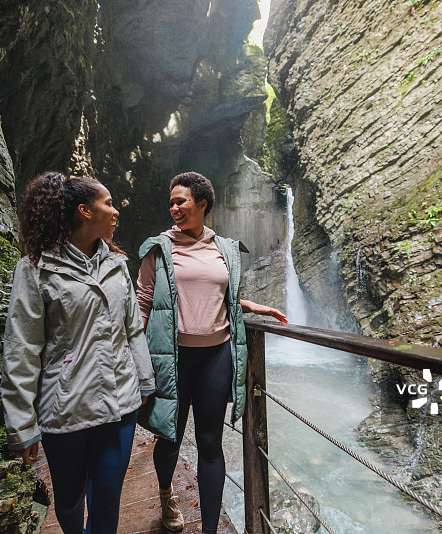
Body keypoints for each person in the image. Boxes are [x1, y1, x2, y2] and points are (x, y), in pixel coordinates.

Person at [1, 172, 155, 534]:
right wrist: (22, 424)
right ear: (85, 211)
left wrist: (145, 382)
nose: (116, 212)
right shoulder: (36, 268)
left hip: (119, 406)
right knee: (69, 502)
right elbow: (22, 347)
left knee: (106, 500)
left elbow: (132, 328)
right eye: (108, 204)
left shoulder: (117, 264)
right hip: (66, 409)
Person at [136, 171, 287, 533]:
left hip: (215, 357)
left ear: (202, 204)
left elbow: (223, 296)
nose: (174, 208)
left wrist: (254, 307)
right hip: (173, 359)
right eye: (171, 202)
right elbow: (142, 304)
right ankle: (165, 492)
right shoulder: (158, 249)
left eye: (181, 201)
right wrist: (135, 360)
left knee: (210, 443)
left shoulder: (226, 249)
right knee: (169, 436)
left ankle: (208, 529)